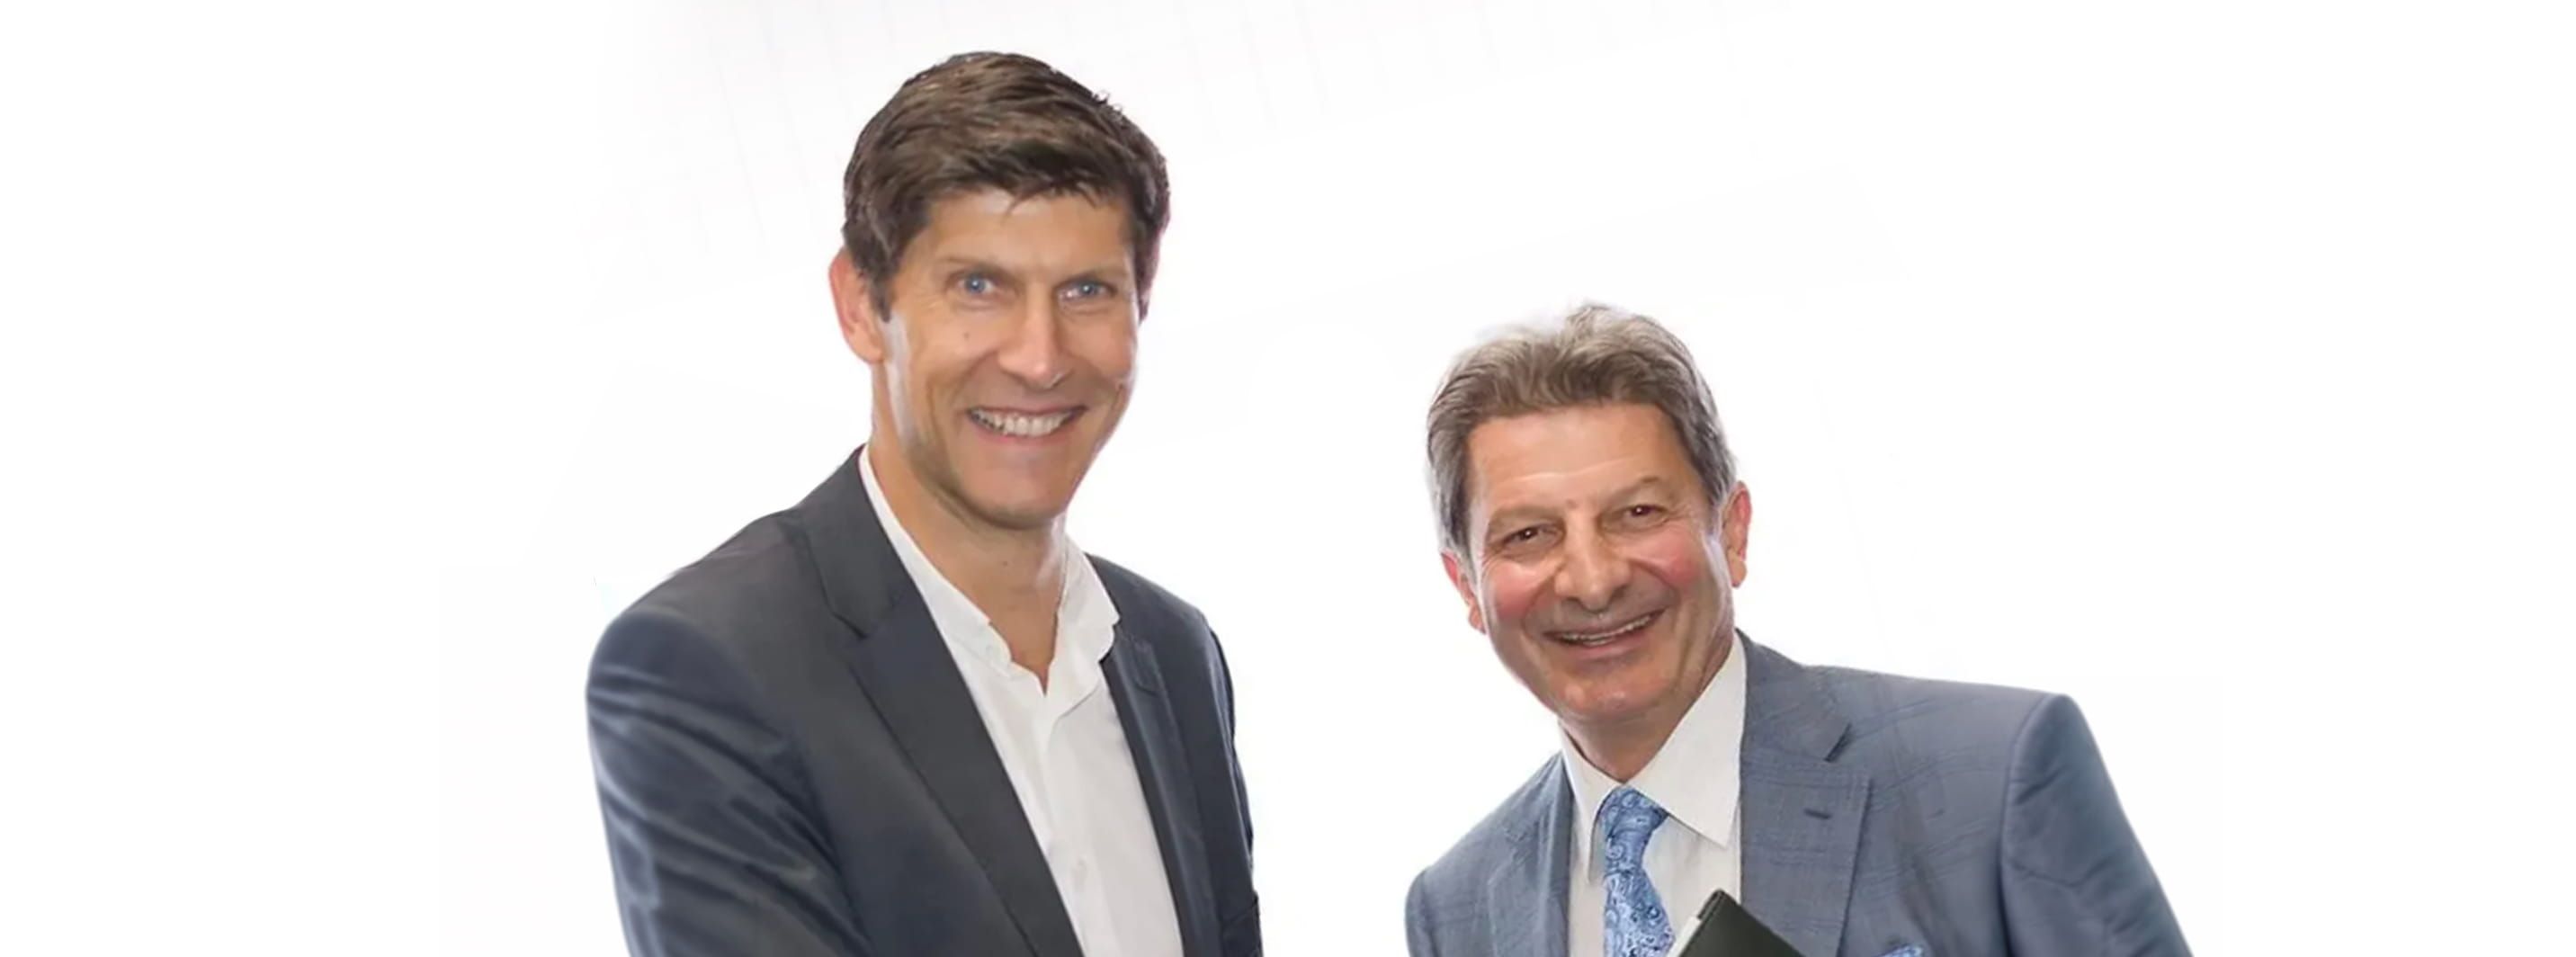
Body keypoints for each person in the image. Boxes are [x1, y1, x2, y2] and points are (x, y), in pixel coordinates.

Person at [586, 51, 1258, 957]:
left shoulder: (1174, 654)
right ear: (862, 305)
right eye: (978, 286)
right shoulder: (709, 663)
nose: (1038, 354)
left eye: (1086, 291)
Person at [1402, 304, 2186, 956]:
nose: (1594, 578)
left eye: (1637, 514)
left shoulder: (1991, 779)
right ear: (1467, 585)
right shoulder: (1458, 910)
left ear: (1732, 531)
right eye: (1529, 536)